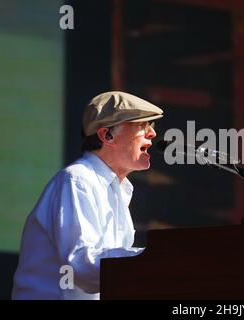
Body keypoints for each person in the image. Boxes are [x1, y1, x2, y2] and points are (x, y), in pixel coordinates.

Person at [12, 91, 163, 299]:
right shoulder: (77, 180)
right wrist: (156, 260)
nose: (152, 133)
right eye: (142, 125)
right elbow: (81, 266)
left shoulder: (117, 189)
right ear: (106, 135)